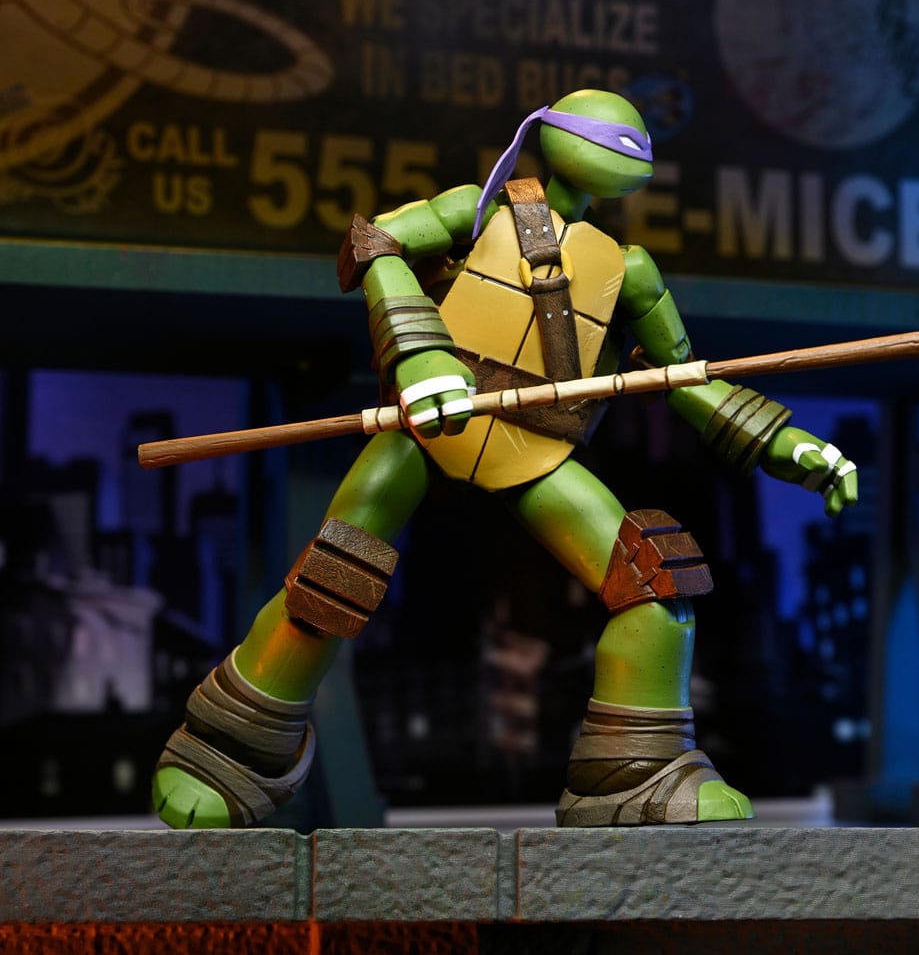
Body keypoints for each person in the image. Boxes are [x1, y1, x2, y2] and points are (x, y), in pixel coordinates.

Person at [153, 89, 857, 829]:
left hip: (536, 449)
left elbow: (684, 377)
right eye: (605, 135)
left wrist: (786, 445)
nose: (623, 149)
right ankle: (230, 750)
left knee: (654, 582)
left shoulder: (630, 271)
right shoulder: (478, 212)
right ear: (549, 138)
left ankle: (635, 776)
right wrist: (421, 356)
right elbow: (373, 242)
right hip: (431, 427)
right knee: (332, 578)